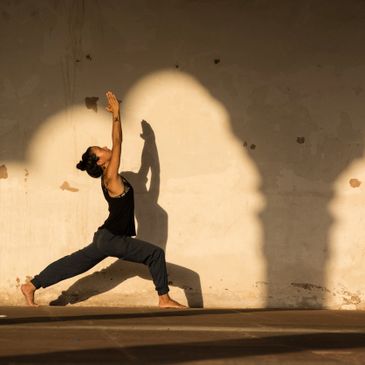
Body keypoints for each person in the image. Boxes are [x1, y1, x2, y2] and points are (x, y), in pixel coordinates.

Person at [21, 91, 186, 309]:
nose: (106, 147)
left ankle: (32, 285)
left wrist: (148, 145)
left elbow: (148, 170)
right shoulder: (110, 177)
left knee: (73, 263)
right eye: (101, 149)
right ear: (100, 162)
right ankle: (164, 299)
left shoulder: (110, 178)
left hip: (105, 237)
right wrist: (116, 114)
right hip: (113, 238)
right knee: (155, 254)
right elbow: (117, 142)